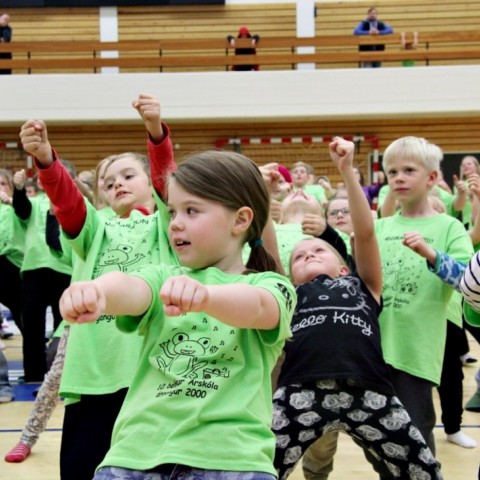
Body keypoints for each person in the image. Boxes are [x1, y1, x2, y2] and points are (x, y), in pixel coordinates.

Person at [58, 149, 296, 480]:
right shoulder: (164, 276)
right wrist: (97, 291)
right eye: (172, 212)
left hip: (231, 461)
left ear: (240, 220)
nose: (176, 223)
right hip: (134, 457)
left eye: (192, 210)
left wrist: (207, 297)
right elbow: (130, 286)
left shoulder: (271, 285)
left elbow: (258, 306)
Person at [18, 93, 178, 479]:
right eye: (108, 182)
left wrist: (155, 132)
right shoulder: (95, 228)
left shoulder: (166, 224)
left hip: (153, 369)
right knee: (80, 468)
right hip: (93, 372)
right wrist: (45, 159)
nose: (117, 184)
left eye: (128, 175)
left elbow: (165, 179)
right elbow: (67, 202)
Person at [272, 137, 442, 479]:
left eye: (319, 251)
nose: (308, 254)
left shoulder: (364, 285)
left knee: (422, 468)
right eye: (300, 257)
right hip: (300, 391)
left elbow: (365, 234)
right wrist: (264, 197)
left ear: (344, 267)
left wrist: (347, 171)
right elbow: (270, 249)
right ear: (289, 275)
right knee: (258, 465)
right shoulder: (287, 292)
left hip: (369, 390)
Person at [374, 136, 473, 460]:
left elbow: (467, 279)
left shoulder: (449, 227)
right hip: (373, 348)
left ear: (432, 178)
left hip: (415, 349)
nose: (398, 178)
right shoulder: (382, 226)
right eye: (391, 172)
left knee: (414, 435)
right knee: (378, 439)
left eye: (408, 170)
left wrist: (431, 255)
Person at [12, 167, 73, 383]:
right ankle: (34, 374)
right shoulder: (36, 202)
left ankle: (63, 373)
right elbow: (21, 209)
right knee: (32, 326)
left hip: (65, 269)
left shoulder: (72, 202)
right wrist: (18, 190)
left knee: (64, 325)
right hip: (34, 268)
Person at [0, 168, 25, 336]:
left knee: (20, 310)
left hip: (17, 264)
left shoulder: (16, 205)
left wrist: (12, 200)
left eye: (2, 184)